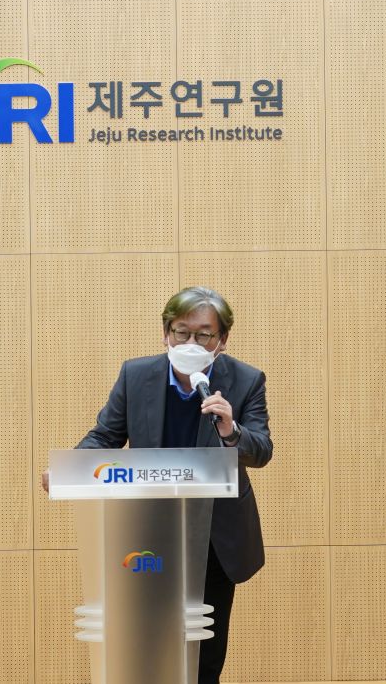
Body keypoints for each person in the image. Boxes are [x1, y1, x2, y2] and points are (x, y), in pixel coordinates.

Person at [73, 286, 272, 684]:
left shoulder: (246, 380)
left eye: (204, 335)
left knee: (204, 657)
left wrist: (231, 429)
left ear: (222, 340)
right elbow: (105, 436)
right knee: (147, 650)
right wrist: (72, 469)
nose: (191, 342)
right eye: (182, 332)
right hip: (147, 534)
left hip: (213, 536)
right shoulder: (136, 375)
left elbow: (261, 450)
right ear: (166, 333)